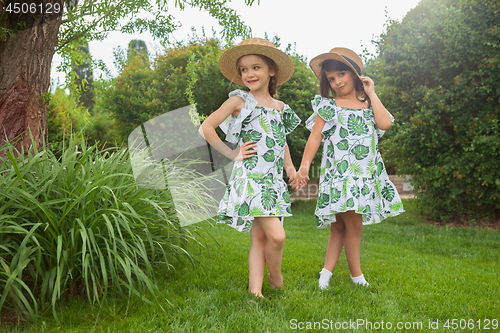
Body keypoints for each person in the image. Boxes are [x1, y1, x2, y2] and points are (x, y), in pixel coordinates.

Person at [292, 47, 404, 289]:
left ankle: (325, 275)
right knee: (353, 225)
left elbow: (385, 123)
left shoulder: (368, 105)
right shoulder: (329, 106)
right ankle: (357, 277)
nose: (336, 82)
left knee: (341, 226)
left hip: (364, 175)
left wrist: (372, 93)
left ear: (355, 75)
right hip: (341, 175)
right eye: (331, 78)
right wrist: (303, 169)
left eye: (341, 74)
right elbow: (314, 138)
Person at [198, 38, 303, 298]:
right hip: (251, 177)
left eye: (255, 67)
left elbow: (282, 142)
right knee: (277, 237)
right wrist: (232, 153)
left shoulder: (280, 108)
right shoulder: (239, 102)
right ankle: (275, 278)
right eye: (244, 69)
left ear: (271, 71)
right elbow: (205, 128)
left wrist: (291, 170)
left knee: (260, 238)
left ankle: (255, 291)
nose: (249, 74)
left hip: (272, 180)